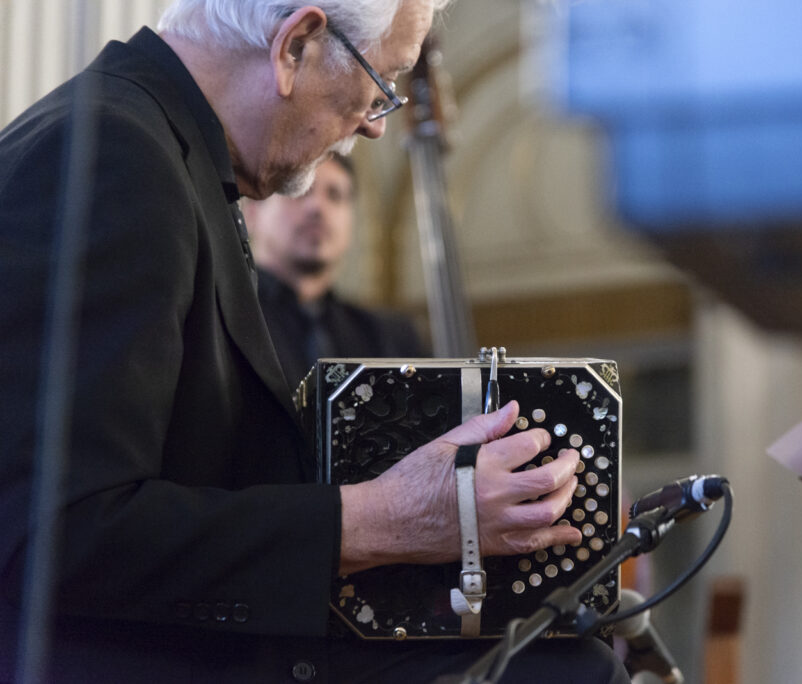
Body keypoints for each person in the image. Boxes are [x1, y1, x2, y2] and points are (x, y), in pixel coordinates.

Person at [0, 1, 629, 682]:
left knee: (572, 653)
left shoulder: (159, 148)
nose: (374, 124)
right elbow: (54, 533)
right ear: (296, 44)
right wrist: (378, 519)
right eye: (380, 85)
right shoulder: (113, 157)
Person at [244, 152, 425, 389]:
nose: (317, 207)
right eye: (299, 190)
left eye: (335, 195)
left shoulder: (390, 338)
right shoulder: (222, 323)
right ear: (252, 212)